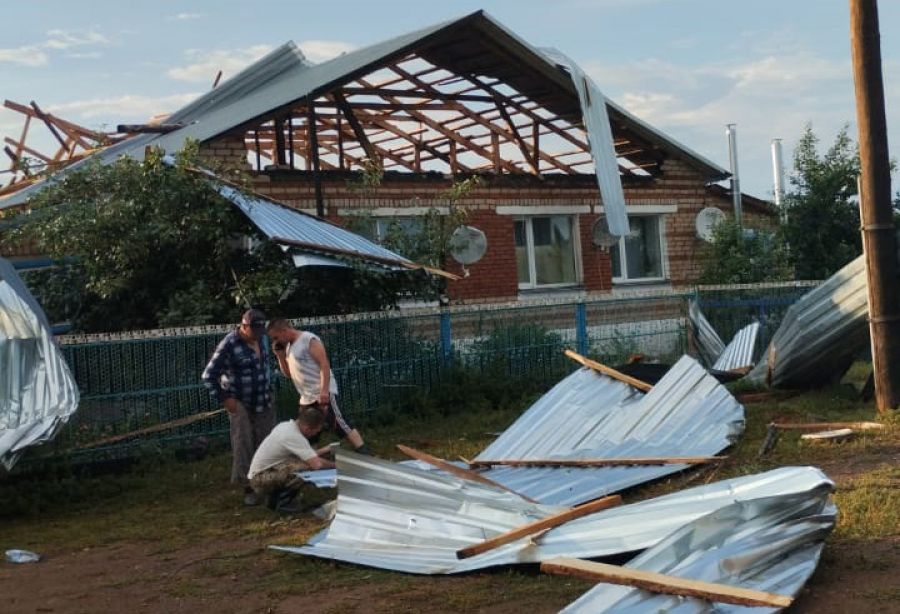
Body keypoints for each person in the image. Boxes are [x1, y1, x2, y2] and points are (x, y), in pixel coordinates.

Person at [202, 308, 275, 506]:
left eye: (261, 331)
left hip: (263, 398)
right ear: (244, 326)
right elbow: (208, 376)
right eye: (254, 331)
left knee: (268, 443)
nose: (258, 336)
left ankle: (268, 485)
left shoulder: (262, 338)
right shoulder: (229, 344)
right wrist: (225, 399)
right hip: (240, 401)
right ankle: (249, 488)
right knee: (244, 444)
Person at [266, 319, 369, 454]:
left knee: (338, 422)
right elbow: (288, 374)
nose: (275, 341)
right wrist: (280, 356)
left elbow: (324, 364)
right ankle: (312, 459)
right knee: (307, 428)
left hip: (320, 391)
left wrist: (324, 391)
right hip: (306, 396)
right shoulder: (289, 347)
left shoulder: (308, 339)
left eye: (276, 337)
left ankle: (363, 452)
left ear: (284, 331)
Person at [247, 404, 335, 513]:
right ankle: (284, 503)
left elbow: (307, 455)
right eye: (315, 431)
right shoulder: (294, 437)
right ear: (308, 428)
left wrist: (326, 450)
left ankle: (274, 500)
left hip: (264, 473)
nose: (315, 434)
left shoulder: (286, 426)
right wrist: (337, 466)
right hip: (260, 480)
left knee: (301, 464)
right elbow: (316, 464)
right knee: (304, 468)